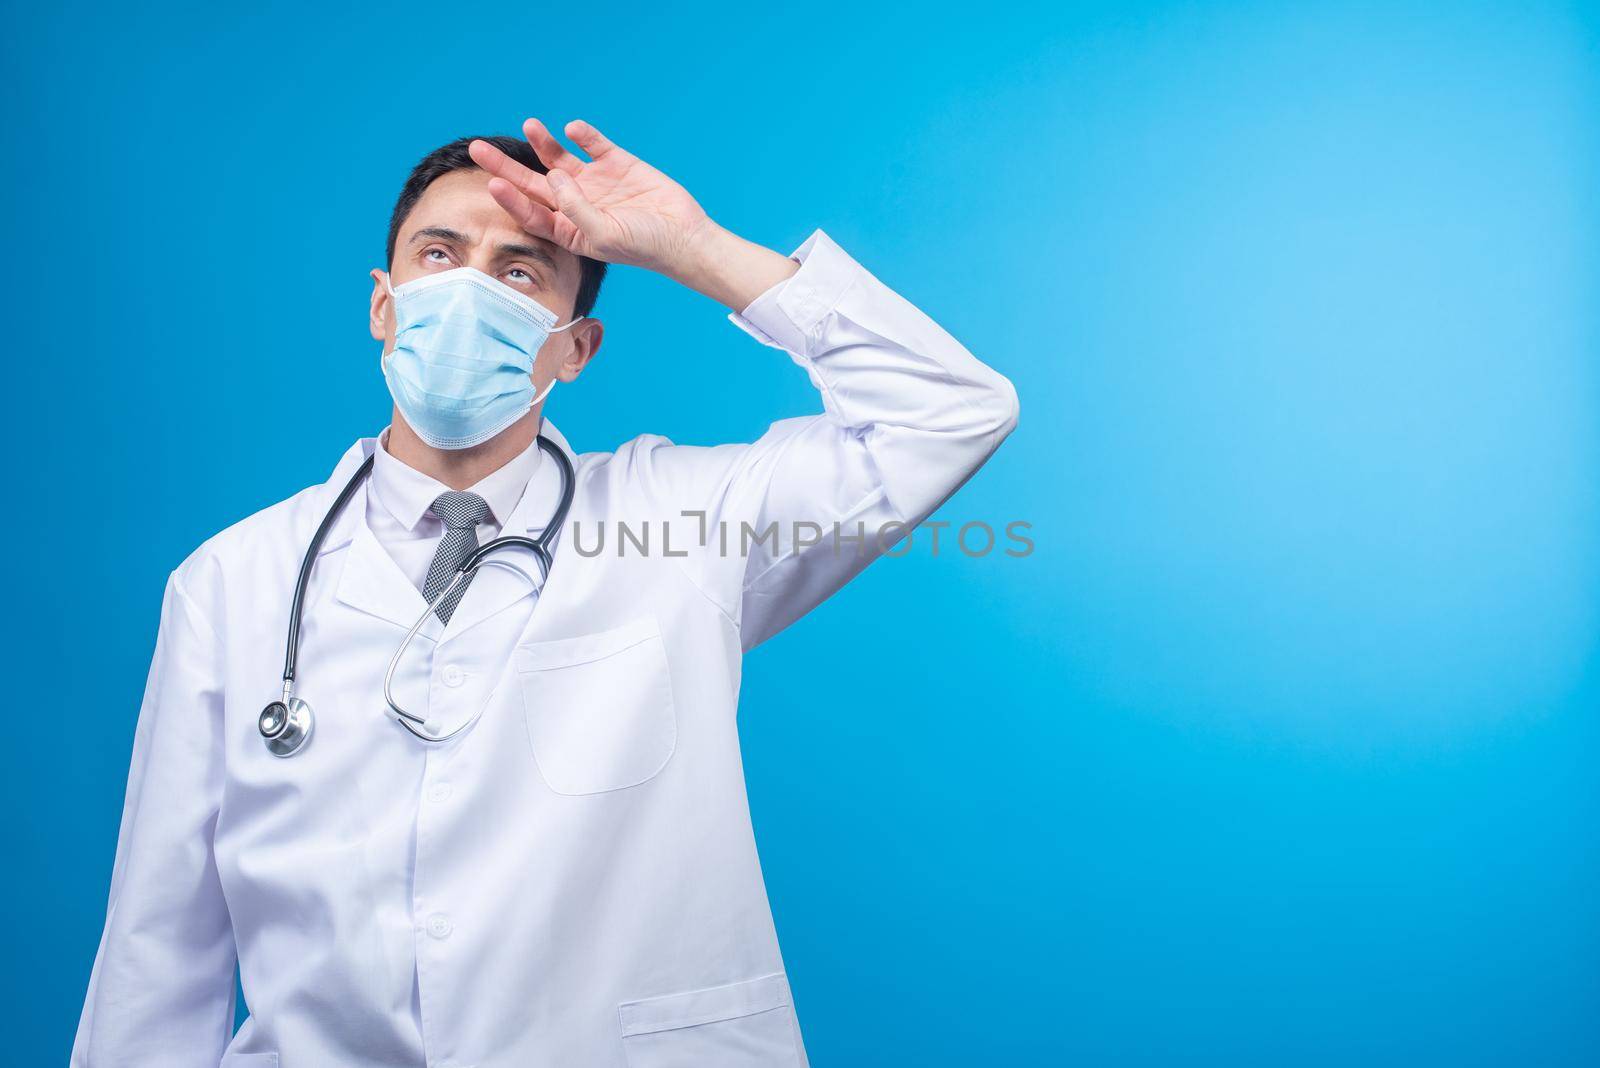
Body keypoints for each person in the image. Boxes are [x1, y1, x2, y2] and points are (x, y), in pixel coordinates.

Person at [71, 117, 1019, 1067]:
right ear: (384, 306)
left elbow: (949, 413)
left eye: (519, 273)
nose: (468, 291)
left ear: (575, 347)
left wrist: (697, 250)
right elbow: (160, 947)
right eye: (438, 256)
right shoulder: (231, 581)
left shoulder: (684, 522)